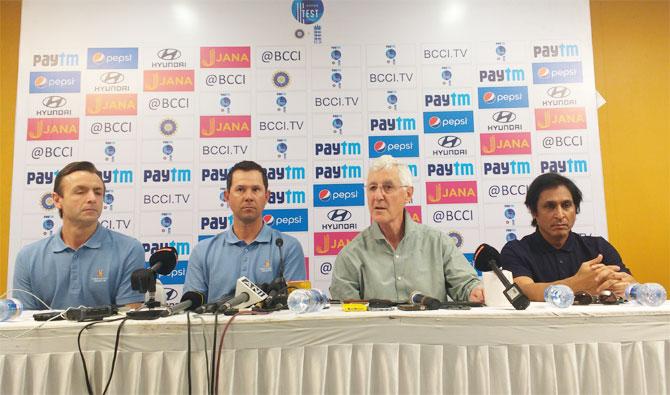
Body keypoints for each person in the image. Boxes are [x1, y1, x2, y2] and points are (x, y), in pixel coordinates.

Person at [330, 155, 484, 303]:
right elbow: (345, 318)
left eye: (388, 187)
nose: (378, 196)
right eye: (372, 188)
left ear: (408, 194)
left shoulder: (438, 244)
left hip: (429, 330)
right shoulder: (350, 255)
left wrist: (475, 292)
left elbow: (466, 286)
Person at [12, 161, 145, 310]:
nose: (92, 199)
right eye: (80, 192)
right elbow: (24, 325)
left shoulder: (129, 250)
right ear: (57, 200)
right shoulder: (28, 257)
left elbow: (129, 322)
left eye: (98, 192)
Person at [500, 172, 636, 301]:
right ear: (534, 212)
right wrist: (577, 283)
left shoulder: (598, 247)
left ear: (575, 209)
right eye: (550, 206)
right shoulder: (516, 250)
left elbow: (629, 283)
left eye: (566, 205)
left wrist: (626, 287)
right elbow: (524, 290)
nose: (560, 215)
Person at [184, 161, 306, 303]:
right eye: (240, 189)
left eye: (255, 189)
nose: (248, 197)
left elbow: (295, 307)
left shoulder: (287, 247)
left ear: (266, 196)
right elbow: (191, 311)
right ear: (227, 196)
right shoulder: (203, 251)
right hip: (218, 325)